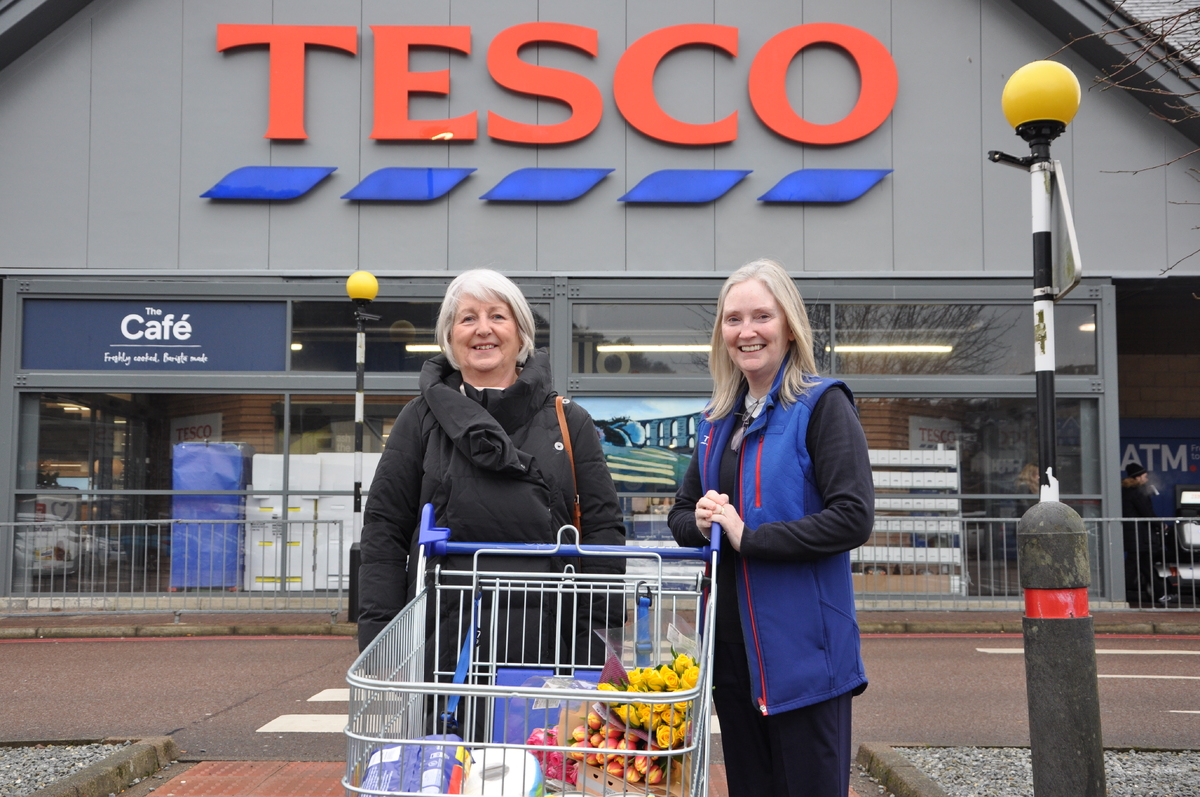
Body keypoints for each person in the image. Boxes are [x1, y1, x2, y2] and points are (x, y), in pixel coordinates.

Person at [668, 259, 874, 797]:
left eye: (762, 315)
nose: (747, 331)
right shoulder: (717, 420)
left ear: (788, 324)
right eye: (733, 319)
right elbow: (679, 516)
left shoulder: (823, 405)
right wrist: (702, 519)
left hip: (805, 656)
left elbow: (853, 517)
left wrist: (748, 537)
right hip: (732, 654)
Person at [357, 269, 627, 668]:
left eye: (497, 316)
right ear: (450, 337)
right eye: (467, 318)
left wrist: (597, 650)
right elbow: (385, 531)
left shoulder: (570, 422)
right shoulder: (419, 420)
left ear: (521, 334)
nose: (483, 329)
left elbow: (602, 535)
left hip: (552, 652)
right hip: (439, 655)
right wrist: (380, 645)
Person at [1121, 463, 1174, 605]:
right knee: (1132, 567)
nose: (1147, 478)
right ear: (1137, 477)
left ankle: (1160, 594)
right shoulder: (1136, 491)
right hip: (1139, 536)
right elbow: (1147, 512)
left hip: (1137, 536)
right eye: (1144, 476)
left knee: (1145, 566)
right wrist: (1161, 525)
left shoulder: (1129, 490)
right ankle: (1118, 595)